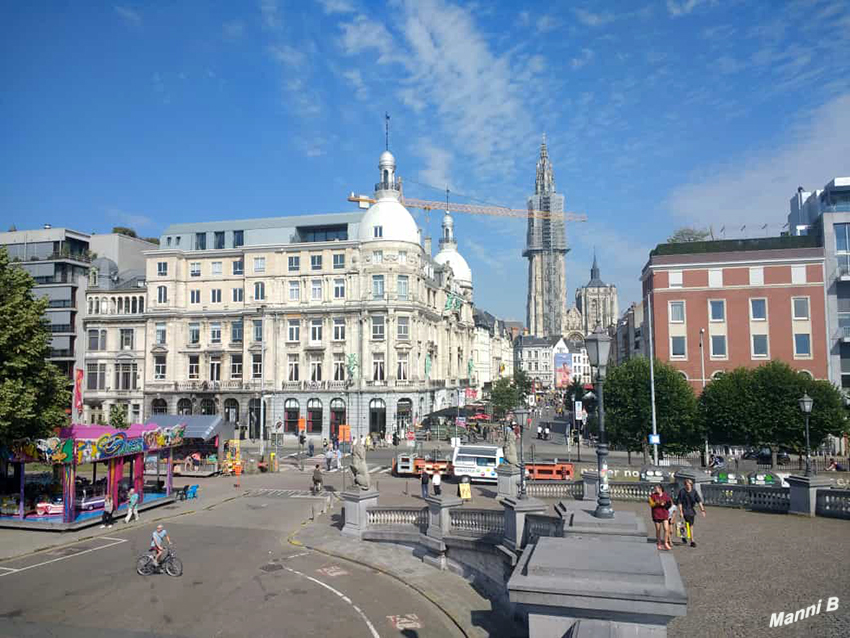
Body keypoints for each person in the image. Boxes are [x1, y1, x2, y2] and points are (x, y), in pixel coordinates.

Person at [674, 478, 706, 548]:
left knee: (690, 525)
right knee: (690, 525)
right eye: (686, 485)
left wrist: (702, 510)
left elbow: (699, 501)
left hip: (691, 510)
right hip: (685, 509)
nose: (688, 486)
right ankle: (692, 540)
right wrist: (681, 512)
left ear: (691, 485)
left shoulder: (694, 492)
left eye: (689, 485)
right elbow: (679, 502)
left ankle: (682, 532)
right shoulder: (682, 492)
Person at [648, 484, 672, 551]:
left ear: (660, 489)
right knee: (658, 530)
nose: (655, 490)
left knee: (666, 529)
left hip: (664, 514)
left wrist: (664, 504)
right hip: (656, 514)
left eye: (656, 488)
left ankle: (666, 542)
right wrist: (657, 503)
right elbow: (651, 504)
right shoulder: (652, 496)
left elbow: (669, 504)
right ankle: (659, 543)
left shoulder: (666, 495)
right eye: (655, 488)